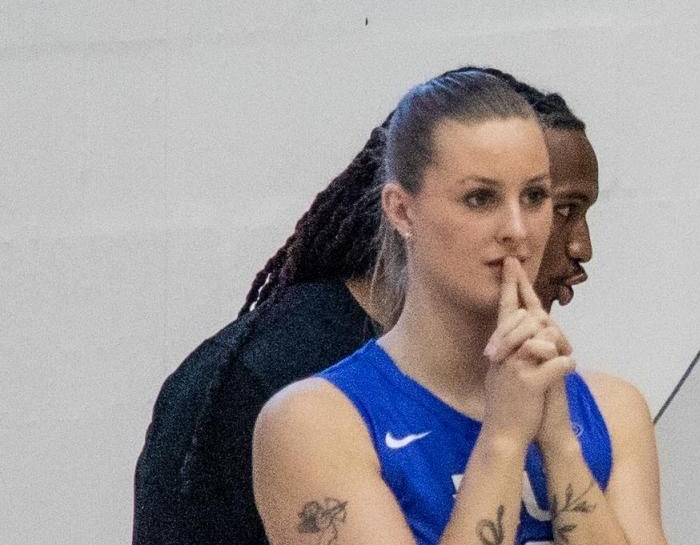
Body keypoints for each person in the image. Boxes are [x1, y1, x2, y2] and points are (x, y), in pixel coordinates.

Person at [132, 67, 642, 544]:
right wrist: (504, 440)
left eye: (535, 198)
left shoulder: (612, 409)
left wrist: (559, 445)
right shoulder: (313, 420)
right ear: (402, 210)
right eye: (480, 199)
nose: (517, 228)